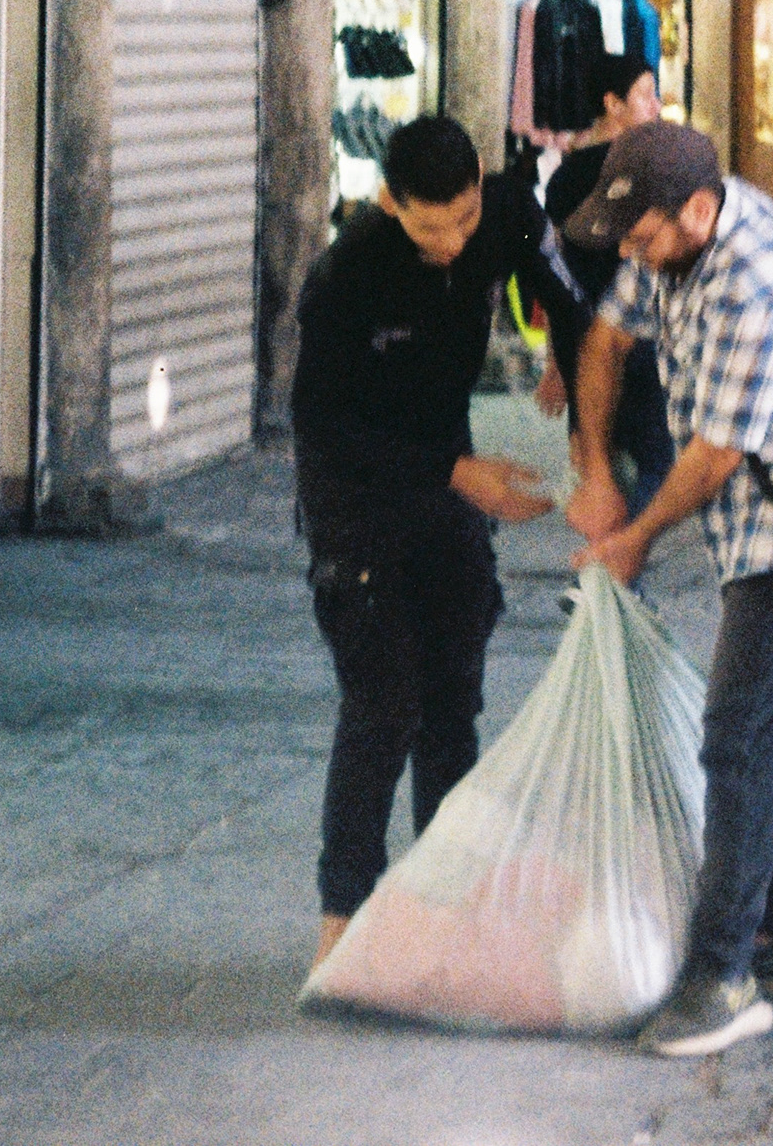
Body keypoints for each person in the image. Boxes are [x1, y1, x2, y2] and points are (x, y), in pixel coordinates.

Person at [564, 122, 773, 1060]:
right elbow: (609, 338)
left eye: (645, 236)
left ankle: (723, 972)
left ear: (698, 211)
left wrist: (632, 537)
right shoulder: (674, 233)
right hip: (751, 518)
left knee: (739, 740)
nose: (634, 254)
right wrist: (593, 467)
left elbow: (715, 452)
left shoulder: (756, 281)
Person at [294, 116, 557, 964]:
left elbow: (572, 287)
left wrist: (571, 363)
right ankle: (344, 924)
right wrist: (457, 471)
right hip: (357, 505)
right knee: (384, 705)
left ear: (482, 184)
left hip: (447, 496)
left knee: (453, 704)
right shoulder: (345, 276)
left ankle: (445, 909)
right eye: (428, 226)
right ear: (388, 203)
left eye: (464, 220)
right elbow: (320, 425)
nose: (451, 243)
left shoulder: (504, 212)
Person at [531, 61, 677, 503]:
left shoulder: (563, 179)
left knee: (601, 464)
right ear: (612, 104)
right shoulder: (642, 169)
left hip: (584, 338)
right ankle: (612, 559)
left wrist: (557, 361)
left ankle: (607, 555)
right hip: (636, 337)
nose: (656, 105)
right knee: (653, 463)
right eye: (644, 94)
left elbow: (558, 279)